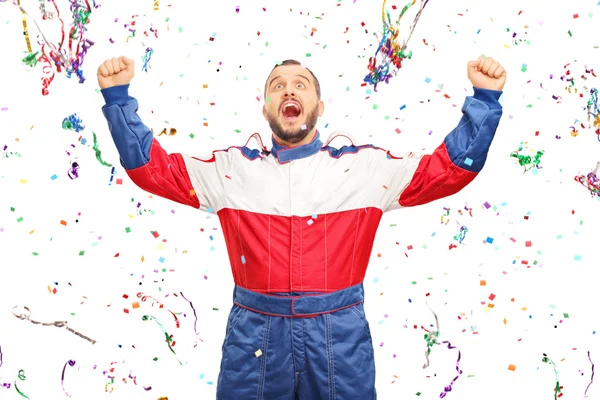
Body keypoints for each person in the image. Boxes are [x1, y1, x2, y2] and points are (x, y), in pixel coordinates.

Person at [98, 54, 506, 399]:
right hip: (255, 335)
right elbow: (151, 169)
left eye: (300, 85)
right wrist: (118, 99)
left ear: (319, 106)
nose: (288, 91)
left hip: (338, 337)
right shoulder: (231, 170)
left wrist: (484, 100)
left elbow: (448, 171)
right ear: (265, 107)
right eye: (277, 86)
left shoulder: (364, 168)